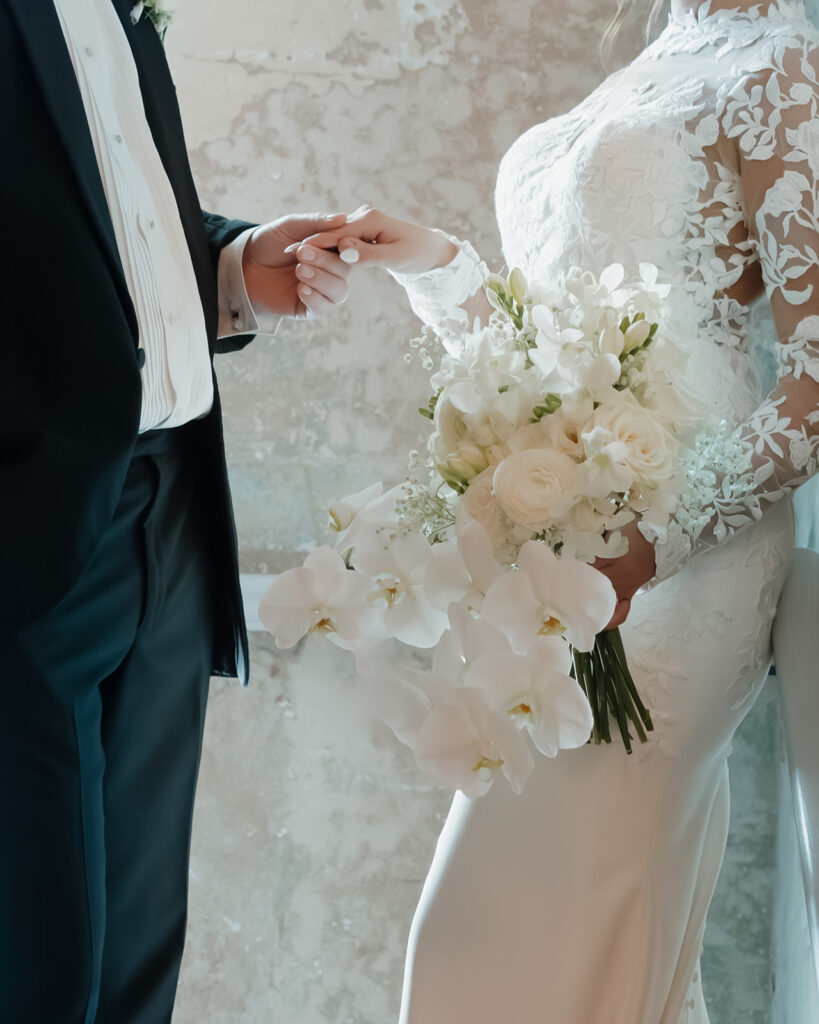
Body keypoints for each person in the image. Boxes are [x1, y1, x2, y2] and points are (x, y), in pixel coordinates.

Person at [297, 0, 819, 1019]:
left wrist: (646, 546)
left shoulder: (783, 63)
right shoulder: (659, 54)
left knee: (531, 935)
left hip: (675, 575)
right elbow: (552, 347)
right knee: (522, 940)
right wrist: (438, 268)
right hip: (563, 562)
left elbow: (812, 388)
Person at [0, 1, 352, 1021]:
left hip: (168, 514)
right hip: (29, 545)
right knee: (42, 974)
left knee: (134, 969)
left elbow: (102, 230)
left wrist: (236, 269)